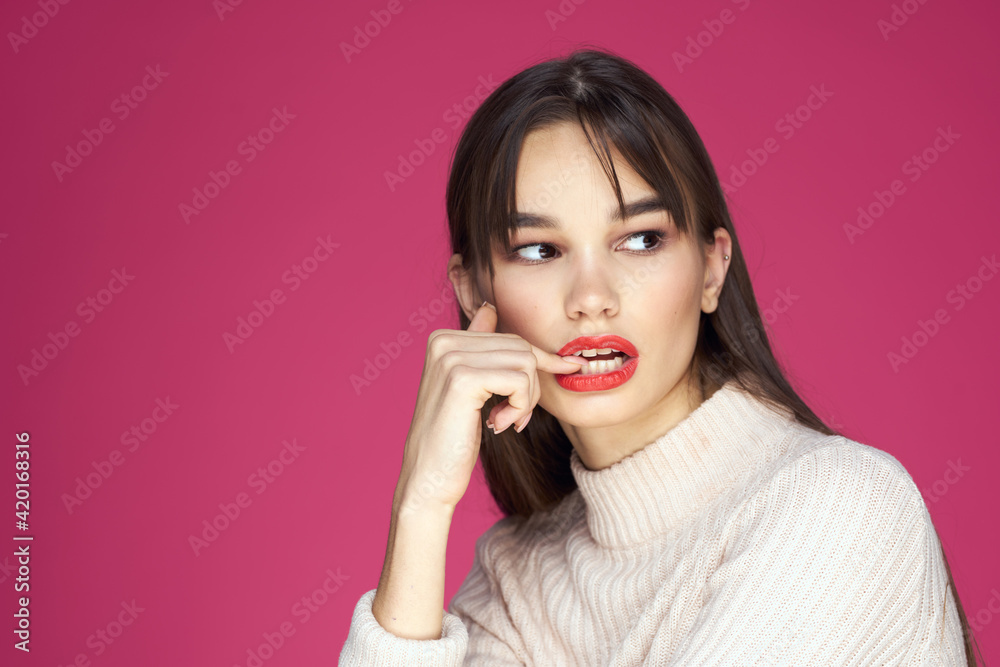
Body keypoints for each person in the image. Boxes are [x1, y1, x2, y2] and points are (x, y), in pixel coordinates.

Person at [339, 47, 982, 665]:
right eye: (539, 250)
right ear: (477, 291)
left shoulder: (840, 508)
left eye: (641, 239)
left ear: (711, 269)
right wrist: (420, 502)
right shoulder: (517, 577)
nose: (591, 299)